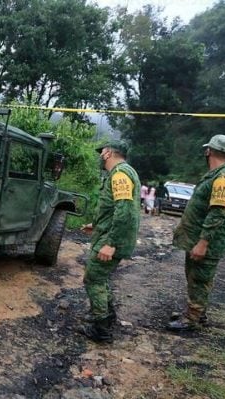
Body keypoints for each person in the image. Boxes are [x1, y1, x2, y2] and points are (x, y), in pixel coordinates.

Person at [167, 134, 225, 332]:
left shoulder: (223, 179)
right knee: (196, 277)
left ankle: (192, 320)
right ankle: (197, 313)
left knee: (199, 279)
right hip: (199, 239)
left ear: (209, 151)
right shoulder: (218, 174)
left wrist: (203, 243)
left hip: (205, 241)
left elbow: (217, 212)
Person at [80, 139, 141, 343]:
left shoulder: (120, 174)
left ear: (107, 153)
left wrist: (111, 243)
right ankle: (107, 316)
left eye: (101, 153)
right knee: (101, 277)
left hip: (111, 240)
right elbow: (114, 209)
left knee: (93, 279)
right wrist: (95, 225)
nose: (100, 157)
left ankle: (101, 330)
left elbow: (124, 212)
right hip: (108, 235)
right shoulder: (122, 173)